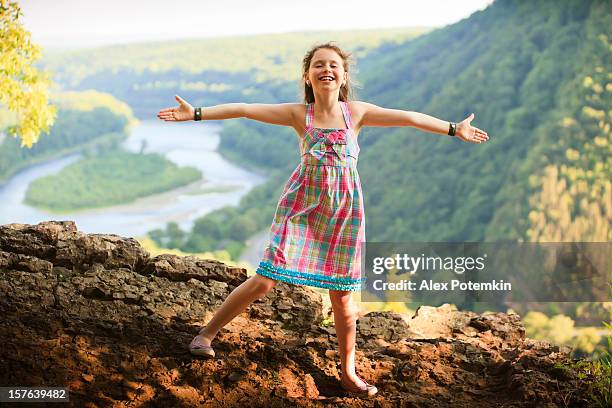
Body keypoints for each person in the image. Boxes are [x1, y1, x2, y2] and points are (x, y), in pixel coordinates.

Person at [157, 41, 489, 398]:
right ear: (308, 75)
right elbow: (244, 109)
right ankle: (205, 334)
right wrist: (196, 114)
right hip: (302, 207)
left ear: (343, 75)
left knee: (344, 297)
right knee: (266, 279)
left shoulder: (357, 113)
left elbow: (408, 117)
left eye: (333, 64)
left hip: (344, 213)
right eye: (318, 64)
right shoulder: (301, 114)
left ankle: (348, 373)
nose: (326, 69)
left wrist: (455, 128)